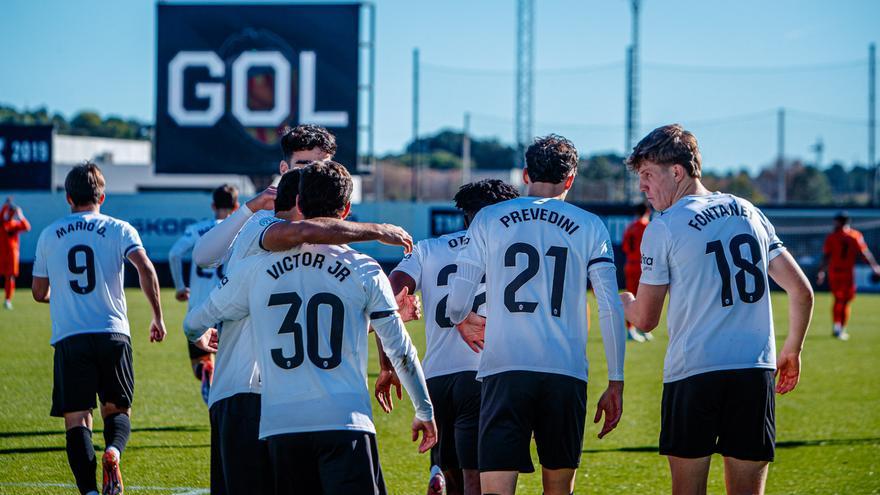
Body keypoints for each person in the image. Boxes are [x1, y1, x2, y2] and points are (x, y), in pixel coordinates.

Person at [185, 161, 436, 494]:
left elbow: (193, 322)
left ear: (298, 204)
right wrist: (424, 410)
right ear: (346, 210)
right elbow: (401, 349)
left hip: (280, 427)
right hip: (345, 420)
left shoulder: (255, 269)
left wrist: (198, 334)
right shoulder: (365, 268)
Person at [619, 124, 814, 495]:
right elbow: (802, 291)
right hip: (754, 372)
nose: (642, 186)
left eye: (647, 175)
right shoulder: (748, 211)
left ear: (676, 171)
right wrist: (793, 350)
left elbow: (645, 319)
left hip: (694, 372)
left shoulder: (665, 227)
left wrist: (622, 302)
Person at [446, 135, 627, 495]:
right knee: (558, 489)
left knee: (496, 487)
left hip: (505, 370)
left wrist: (460, 318)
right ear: (571, 179)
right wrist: (616, 379)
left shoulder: (489, 217)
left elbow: (457, 301)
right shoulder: (590, 224)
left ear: (526, 173)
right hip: (565, 373)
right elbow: (609, 305)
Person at [31, 162, 166, 495]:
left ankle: (89, 492)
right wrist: (157, 317)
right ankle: (114, 451)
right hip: (113, 333)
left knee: (76, 419)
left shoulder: (49, 234)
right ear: (101, 196)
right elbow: (145, 268)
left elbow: (38, 292)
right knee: (117, 409)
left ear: (68, 198)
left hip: (70, 337)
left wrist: (60, 297)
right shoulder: (119, 228)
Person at [381, 179, 520, 495]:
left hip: (437, 379)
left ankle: (438, 474)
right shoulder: (512, 252)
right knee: (479, 479)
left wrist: (386, 364)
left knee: (453, 474)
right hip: (486, 375)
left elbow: (388, 298)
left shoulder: (430, 248)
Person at [168, 185, 239, 403]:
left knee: (200, 360)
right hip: (228, 307)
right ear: (236, 207)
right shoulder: (239, 231)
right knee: (231, 363)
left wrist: (180, 287)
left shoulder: (198, 229)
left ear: (213, 206)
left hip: (199, 309)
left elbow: (174, 254)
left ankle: (206, 370)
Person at [816, 212, 880, 340]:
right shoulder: (855, 235)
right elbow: (865, 254)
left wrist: (821, 271)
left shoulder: (832, 237)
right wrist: (874, 267)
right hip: (846, 273)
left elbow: (826, 256)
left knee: (840, 300)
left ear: (840, 222)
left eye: (836, 221)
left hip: (836, 272)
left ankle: (837, 327)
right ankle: (840, 328)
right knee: (843, 301)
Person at [620, 202, 653, 342]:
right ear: (648, 212)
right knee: (645, 299)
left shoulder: (630, 227)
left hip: (630, 265)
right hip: (644, 266)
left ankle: (633, 329)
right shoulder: (647, 226)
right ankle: (637, 328)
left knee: (632, 298)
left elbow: (625, 247)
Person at [0, 197, 31, 309]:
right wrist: (6, 204)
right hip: (2, 254)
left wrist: (21, 215)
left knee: (10, 277)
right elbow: (2, 215)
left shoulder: (14, 224)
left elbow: (27, 227)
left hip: (12, 254)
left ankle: (8, 300)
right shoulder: (3, 223)